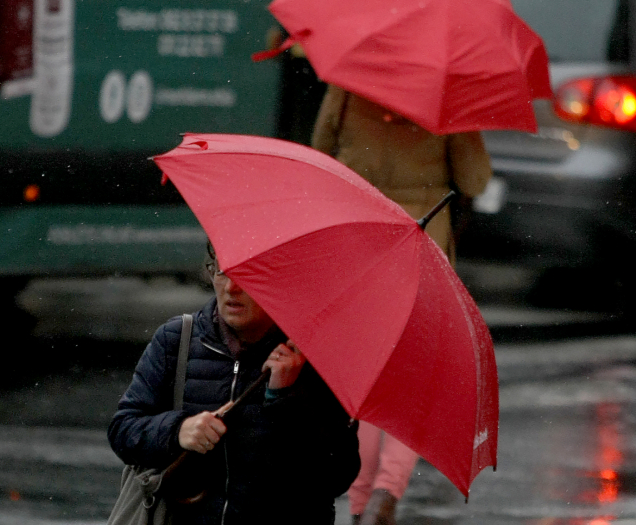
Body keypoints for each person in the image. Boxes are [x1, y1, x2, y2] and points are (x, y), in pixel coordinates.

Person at [311, 85, 493, 525]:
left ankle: (357, 505)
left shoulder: (350, 86)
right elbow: (475, 180)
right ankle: (386, 494)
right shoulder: (450, 96)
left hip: (360, 237)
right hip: (423, 246)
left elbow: (321, 152)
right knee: (412, 381)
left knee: (367, 381)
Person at [108, 243, 361, 525]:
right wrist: (178, 430)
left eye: (248, 276)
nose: (230, 288)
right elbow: (123, 431)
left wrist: (284, 397)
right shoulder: (175, 340)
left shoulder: (314, 357)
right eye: (221, 272)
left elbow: (335, 476)